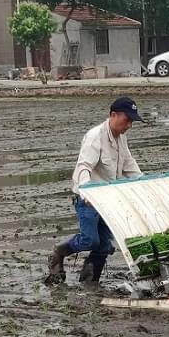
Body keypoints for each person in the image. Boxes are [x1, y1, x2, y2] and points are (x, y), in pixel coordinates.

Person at [45, 96, 144, 286]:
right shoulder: (95, 137)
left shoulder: (121, 138)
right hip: (88, 199)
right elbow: (83, 167)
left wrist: (143, 183)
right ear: (113, 115)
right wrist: (87, 192)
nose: (129, 125)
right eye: (127, 120)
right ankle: (59, 252)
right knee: (90, 240)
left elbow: (129, 165)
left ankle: (89, 282)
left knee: (105, 246)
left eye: (132, 121)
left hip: (108, 199)